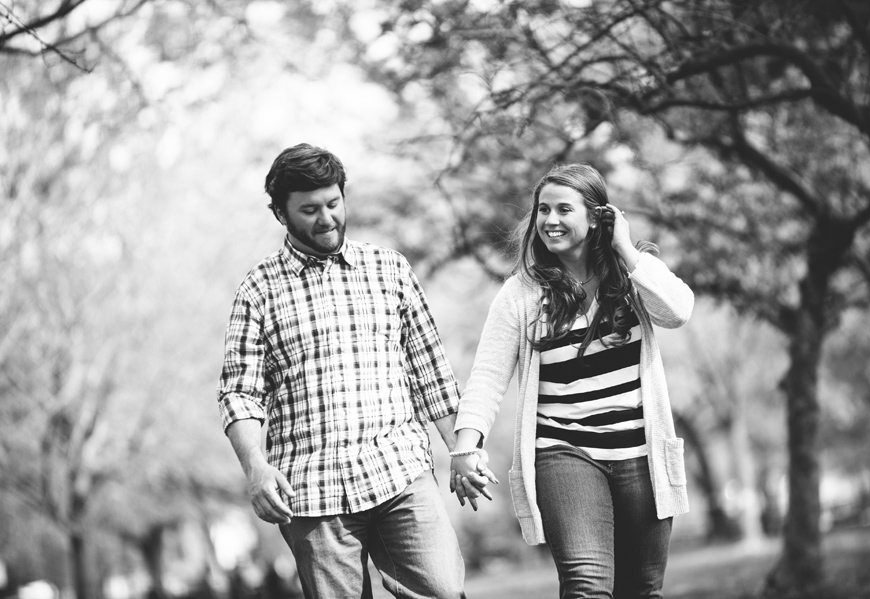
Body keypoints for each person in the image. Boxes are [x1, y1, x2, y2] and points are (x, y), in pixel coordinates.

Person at [217, 143, 486, 599]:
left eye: (333, 203)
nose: (326, 219)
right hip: (312, 492)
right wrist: (256, 467)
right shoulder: (258, 289)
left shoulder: (390, 270)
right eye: (309, 210)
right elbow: (240, 394)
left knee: (443, 591)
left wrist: (463, 450)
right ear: (280, 214)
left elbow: (432, 375)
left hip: (399, 471)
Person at [450, 163, 693, 598]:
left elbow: (678, 311)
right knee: (587, 586)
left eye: (564, 209)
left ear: (597, 216)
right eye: (543, 209)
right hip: (564, 453)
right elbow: (487, 376)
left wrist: (625, 249)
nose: (550, 220)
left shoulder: (633, 275)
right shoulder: (522, 294)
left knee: (642, 589)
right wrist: (466, 446)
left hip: (640, 453)